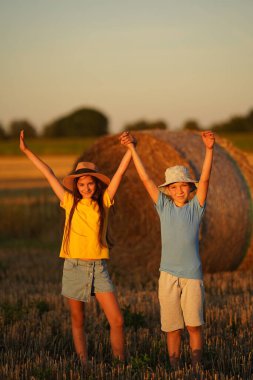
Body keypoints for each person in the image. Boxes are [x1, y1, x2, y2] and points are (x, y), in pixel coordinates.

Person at [20, 130, 134, 365]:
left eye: (90, 183)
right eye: (81, 184)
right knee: (78, 319)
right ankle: (84, 363)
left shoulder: (104, 202)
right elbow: (48, 173)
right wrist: (27, 151)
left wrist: (131, 149)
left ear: (96, 184)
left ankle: (121, 363)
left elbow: (121, 173)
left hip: (98, 268)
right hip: (73, 267)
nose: (86, 187)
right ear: (77, 186)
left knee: (117, 320)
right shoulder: (69, 202)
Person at [120, 131, 215, 369]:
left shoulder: (196, 208)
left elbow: (204, 180)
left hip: (192, 276)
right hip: (168, 276)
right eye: (174, 187)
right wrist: (132, 150)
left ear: (189, 189)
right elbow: (145, 180)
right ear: (168, 190)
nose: (180, 190)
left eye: (184, 186)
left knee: (194, 325)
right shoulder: (163, 206)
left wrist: (209, 150)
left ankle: (196, 366)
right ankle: (174, 367)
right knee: (172, 328)